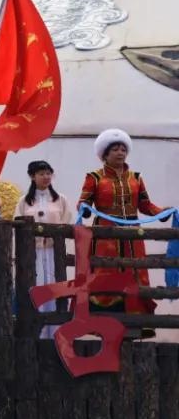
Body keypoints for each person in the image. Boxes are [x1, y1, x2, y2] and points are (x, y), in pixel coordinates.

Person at [78, 129, 170, 326]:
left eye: (123, 149)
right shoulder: (94, 177)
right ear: (105, 154)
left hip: (132, 233)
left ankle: (135, 321)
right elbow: (83, 203)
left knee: (135, 270)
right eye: (115, 149)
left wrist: (162, 212)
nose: (120, 153)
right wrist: (84, 209)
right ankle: (103, 321)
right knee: (106, 269)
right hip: (105, 233)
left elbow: (145, 205)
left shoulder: (136, 177)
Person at [14, 160, 73, 339]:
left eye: (48, 173)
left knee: (55, 287)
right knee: (36, 287)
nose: (46, 177)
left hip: (54, 252)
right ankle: (35, 334)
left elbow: (67, 222)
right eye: (41, 174)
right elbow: (18, 225)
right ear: (32, 176)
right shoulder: (24, 201)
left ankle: (56, 334)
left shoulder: (60, 199)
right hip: (34, 253)